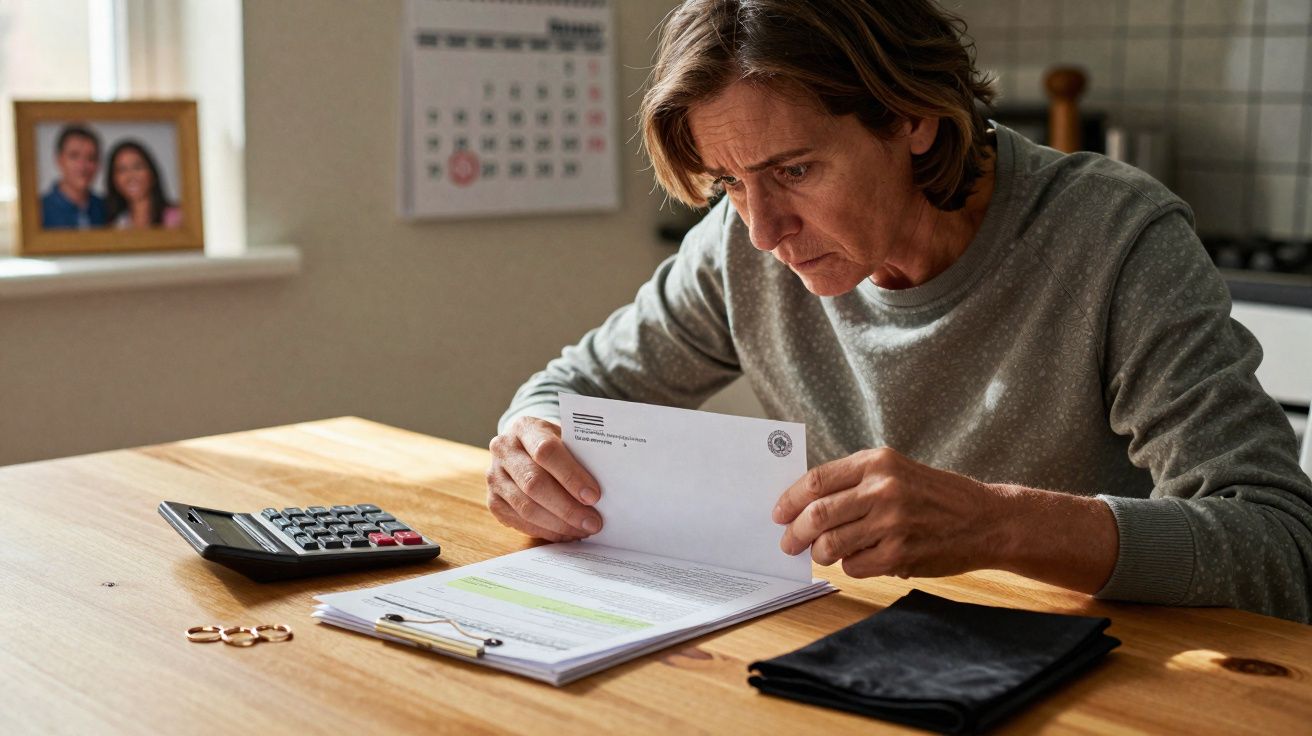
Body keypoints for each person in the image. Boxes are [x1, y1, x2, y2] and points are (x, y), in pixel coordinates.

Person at [486, 0, 1312, 622]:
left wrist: (1000, 525)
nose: (764, 230)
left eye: (797, 170)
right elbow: (574, 389)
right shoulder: (738, 247)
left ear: (912, 116)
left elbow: (1279, 547)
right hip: (872, 651)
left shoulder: (1115, 239)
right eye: (731, 183)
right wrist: (530, 443)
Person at [40, 125, 106, 229]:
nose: (82, 166)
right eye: (74, 156)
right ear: (59, 160)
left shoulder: (105, 209)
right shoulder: (39, 211)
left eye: (91, 158)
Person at [105, 140, 183, 229]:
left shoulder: (179, 218)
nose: (130, 176)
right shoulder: (116, 225)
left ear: (152, 174)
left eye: (137, 167)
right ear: (114, 180)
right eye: (122, 170)